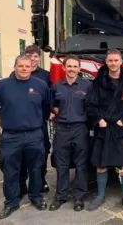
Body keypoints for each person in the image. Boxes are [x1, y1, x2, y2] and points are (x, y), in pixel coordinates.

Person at [0, 55, 50, 219]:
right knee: (10, 171)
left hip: (34, 135)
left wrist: (35, 120)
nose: (24, 69)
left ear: (32, 67)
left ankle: (36, 197)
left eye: (27, 66)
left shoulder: (40, 86)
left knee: (36, 169)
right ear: (15, 67)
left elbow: (46, 108)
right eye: (21, 66)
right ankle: (11, 202)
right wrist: (6, 115)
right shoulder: (2, 85)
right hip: (10, 137)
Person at [86, 49, 123, 211]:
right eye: (110, 61)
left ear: (121, 62)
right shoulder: (97, 83)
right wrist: (99, 120)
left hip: (121, 128)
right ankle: (100, 196)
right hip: (103, 128)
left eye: (116, 60)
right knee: (101, 164)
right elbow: (90, 105)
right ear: (106, 62)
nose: (113, 63)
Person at [48, 55, 92, 212]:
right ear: (64, 68)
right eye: (69, 66)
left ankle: (79, 197)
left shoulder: (87, 86)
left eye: (75, 66)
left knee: (81, 165)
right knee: (62, 164)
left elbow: (90, 108)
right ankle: (60, 196)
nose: (72, 69)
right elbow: (54, 106)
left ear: (79, 69)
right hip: (62, 129)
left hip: (80, 129)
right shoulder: (57, 87)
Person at [10, 45, 52, 196]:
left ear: (39, 58)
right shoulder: (13, 75)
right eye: (29, 56)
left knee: (42, 151)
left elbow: (49, 100)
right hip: (20, 123)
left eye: (35, 56)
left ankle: (41, 180)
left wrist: (43, 117)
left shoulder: (46, 75)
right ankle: (22, 183)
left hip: (39, 123)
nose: (33, 59)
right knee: (20, 154)